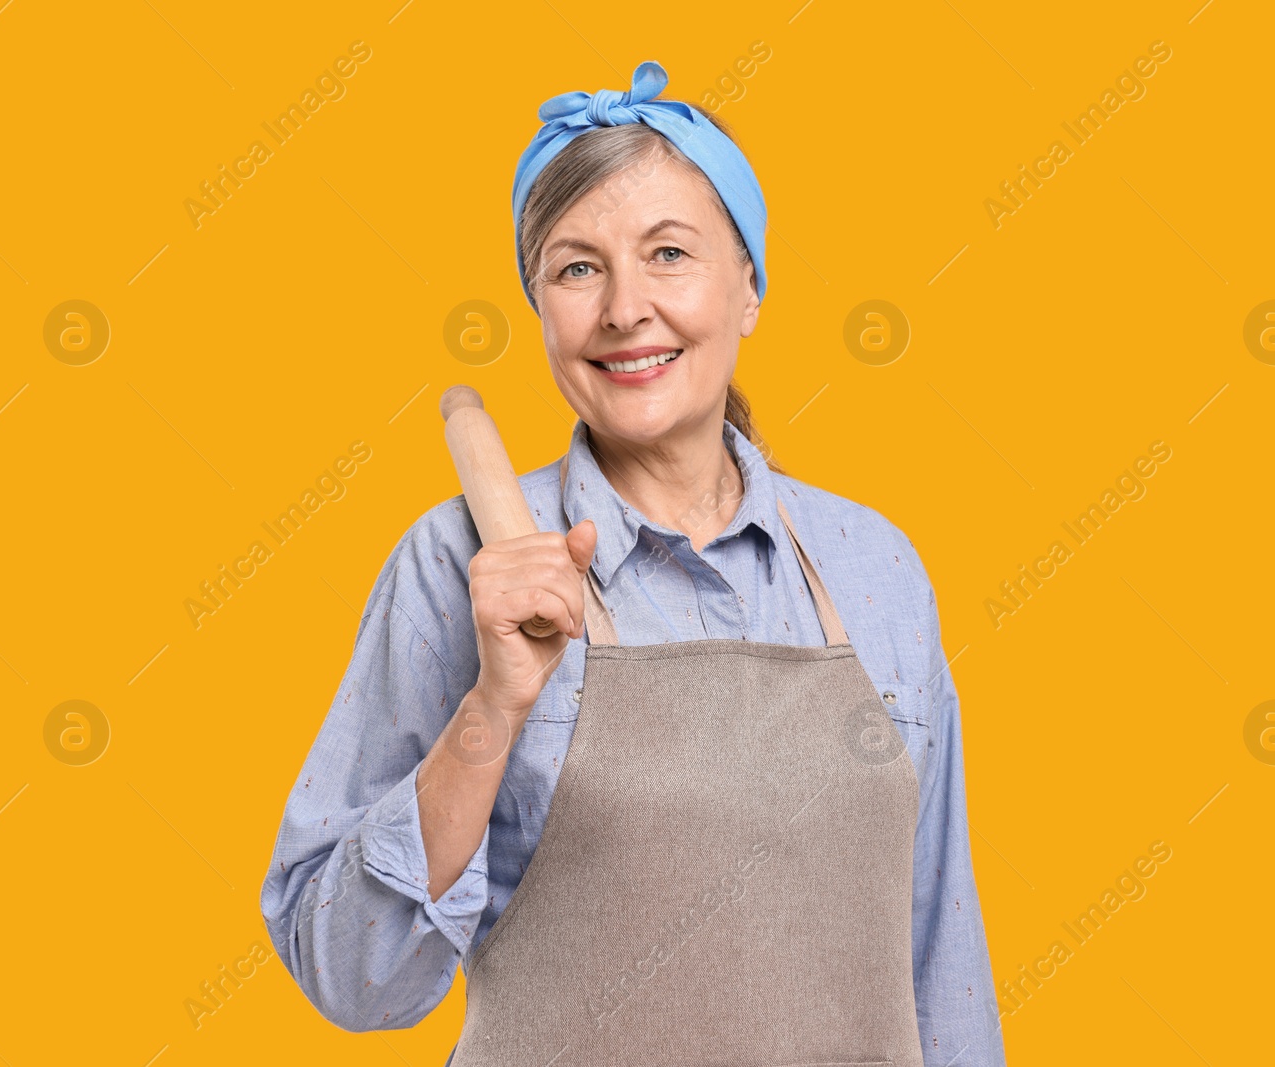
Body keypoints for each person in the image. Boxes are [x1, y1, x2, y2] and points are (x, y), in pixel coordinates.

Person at [260, 59, 1007, 1065]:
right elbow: (346, 972)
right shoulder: (461, 564)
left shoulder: (870, 566)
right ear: (541, 310)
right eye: (577, 267)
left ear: (749, 285)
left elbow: (939, 953)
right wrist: (495, 704)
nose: (623, 309)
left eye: (667, 253)